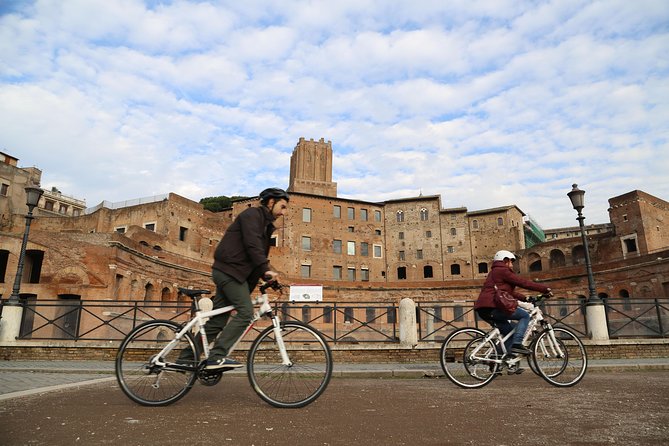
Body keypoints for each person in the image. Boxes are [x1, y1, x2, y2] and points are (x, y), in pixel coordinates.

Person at [190, 187, 289, 370]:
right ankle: (217, 356)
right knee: (245, 313)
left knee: (218, 321)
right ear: (270, 202)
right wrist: (266, 269)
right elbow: (252, 246)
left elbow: (254, 256)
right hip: (229, 272)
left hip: (232, 273)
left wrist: (266, 276)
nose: (284, 212)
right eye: (282, 207)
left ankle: (186, 358)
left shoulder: (265, 226)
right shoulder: (252, 215)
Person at [474, 250, 552, 356]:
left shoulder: (494, 272)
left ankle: (495, 361)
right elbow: (522, 282)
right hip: (493, 307)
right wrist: (544, 289)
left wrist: (526, 298)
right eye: (511, 261)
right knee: (524, 316)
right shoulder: (502, 270)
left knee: (510, 334)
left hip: (485, 309)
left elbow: (508, 293)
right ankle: (517, 344)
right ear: (505, 260)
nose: (512, 264)